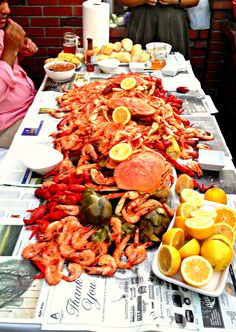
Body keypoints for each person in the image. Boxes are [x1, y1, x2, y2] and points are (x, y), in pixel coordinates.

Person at [0, 0, 38, 149]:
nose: (7, 10)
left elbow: (7, 68)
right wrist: (10, 51)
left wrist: (18, 52)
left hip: (29, 106)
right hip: (8, 124)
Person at [116, 0, 199, 59]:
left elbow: (194, 1)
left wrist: (175, 1)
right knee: (137, 60)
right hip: (142, 20)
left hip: (173, 22)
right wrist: (142, 0)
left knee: (175, 64)